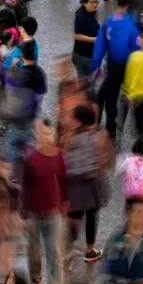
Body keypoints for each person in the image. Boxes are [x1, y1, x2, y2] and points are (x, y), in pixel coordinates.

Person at [62, 105, 113, 264]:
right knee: (91, 217)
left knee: (75, 216)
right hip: (93, 184)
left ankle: (69, 248)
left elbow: (65, 161)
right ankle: (90, 250)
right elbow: (108, 160)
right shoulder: (101, 135)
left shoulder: (71, 138)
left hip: (74, 185)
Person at [20, 121, 68, 284]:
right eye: (44, 134)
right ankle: (35, 279)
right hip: (34, 215)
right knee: (33, 252)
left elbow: (64, 181)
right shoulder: (31, 159)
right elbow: (25, 186)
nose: (48, 138)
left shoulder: (60, 156)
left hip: (53, 214)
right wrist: (24, 215)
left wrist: (64, 204)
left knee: (54, 255)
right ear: (37, 136)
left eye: (50, 134)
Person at [93, 0, 143, 139]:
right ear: (128, 5)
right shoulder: (132, 24)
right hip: (129, 66)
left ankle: (111, 125)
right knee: (128, 92)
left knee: (110, 96)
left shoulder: (107, 23)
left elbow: (99, 46)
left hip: (112, 66)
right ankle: (124, 114)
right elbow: (137, 46)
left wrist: (95, 65)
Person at [96, 184, 143, 284]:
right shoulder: (117, 240)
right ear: (129, 213)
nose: (142, 216)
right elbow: (106, 273)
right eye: (138, 212)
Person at [72, 0, 101, 71]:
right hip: (82, 55)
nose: (94, 4)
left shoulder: (92, 14)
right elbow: (77, 35)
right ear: (85, 3)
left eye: (96, 2)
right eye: (91, 2)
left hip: (90, 54)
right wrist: (94, 40)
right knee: (85, 80)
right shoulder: (80, 17)